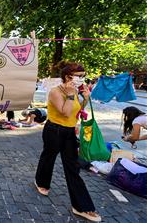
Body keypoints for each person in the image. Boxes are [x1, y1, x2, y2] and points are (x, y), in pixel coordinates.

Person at [34, 61, 101, 222]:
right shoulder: (55, 91)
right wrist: (71, 94)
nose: (81, 79)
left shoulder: (75, 91)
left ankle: (81, 207)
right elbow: (65, 112)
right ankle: (41, 181)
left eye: (83, 76)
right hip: (54, 130)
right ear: (67, 76)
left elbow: (76, 110)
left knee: (73, 167)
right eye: (79, 76)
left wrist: (84, 98)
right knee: (48, 157)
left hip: (70, 132)